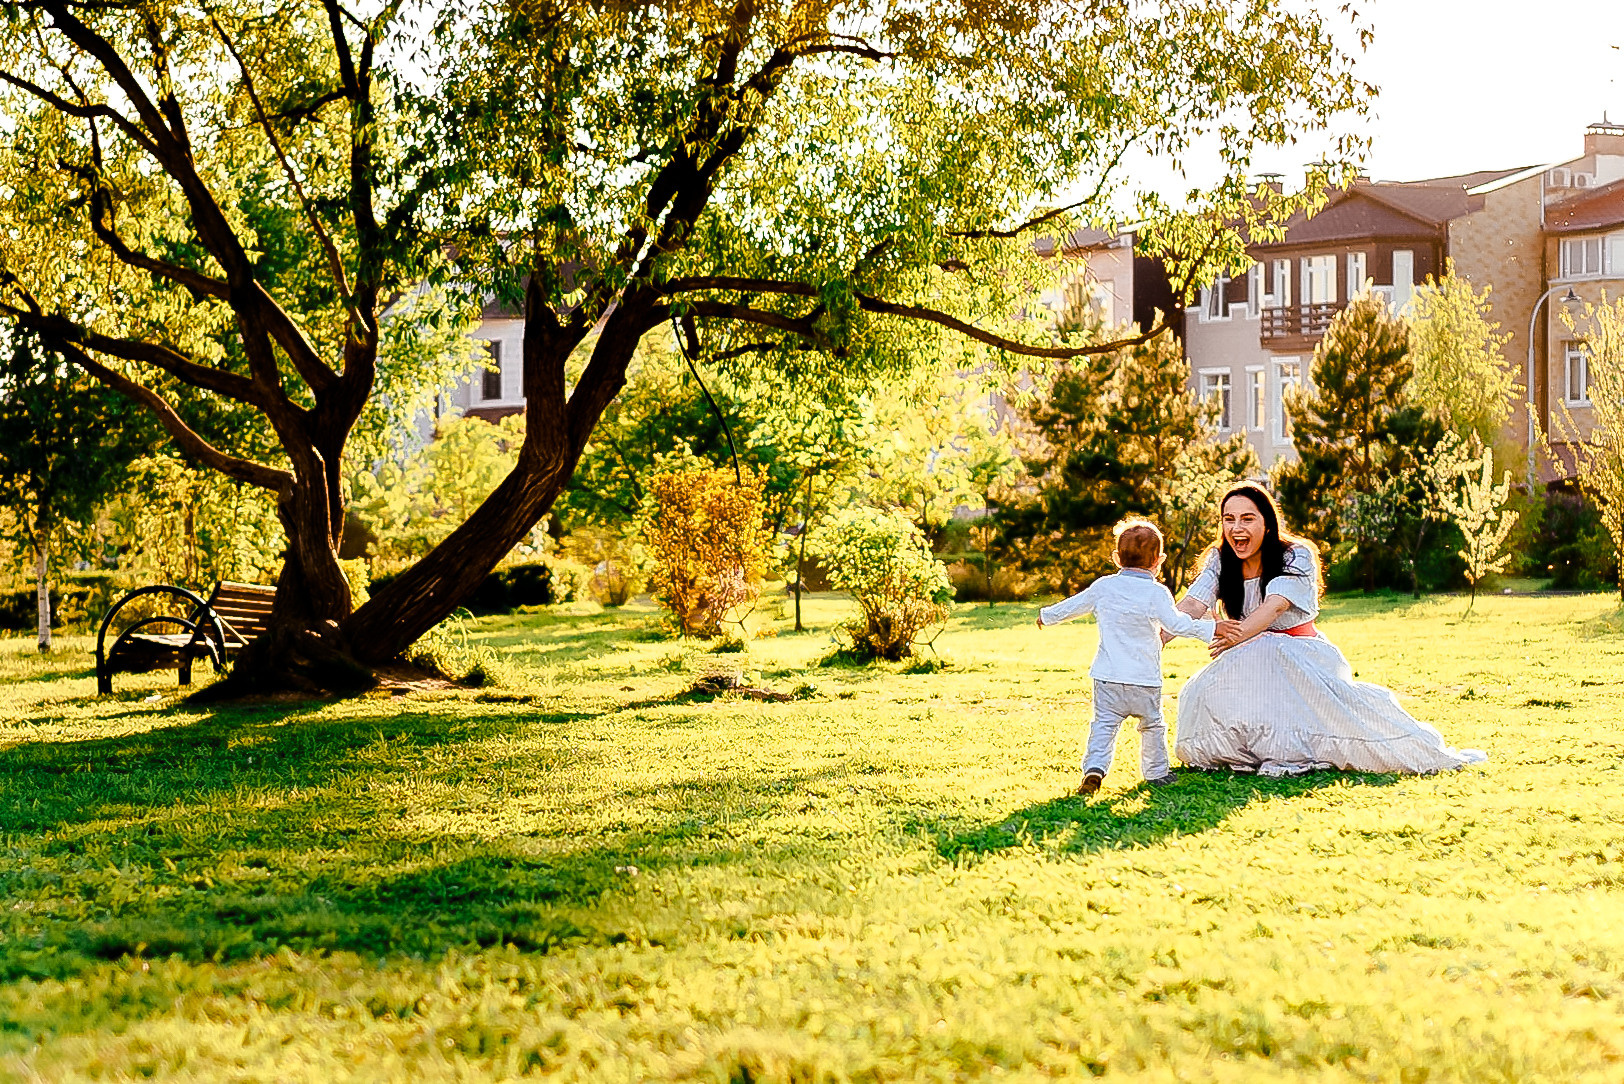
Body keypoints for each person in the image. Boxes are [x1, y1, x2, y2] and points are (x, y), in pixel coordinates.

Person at [1171, 483, 1486, 776]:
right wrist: (1154, 640)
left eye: (1247, 519)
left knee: (1348, 718)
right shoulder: (1219, 558)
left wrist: (1234, 635)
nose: (1236, 528)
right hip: (1249, 661)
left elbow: (1274, 608)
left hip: (1300, 656)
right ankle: (1250, 749)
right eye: (1229, 519)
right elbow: (1191, 606)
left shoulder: (1295, 555)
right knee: (1197, 694)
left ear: (1266, 524)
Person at [1037, 518, 1216, 794]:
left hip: (1108, 678)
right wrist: (1213, 628)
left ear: (1116, 558)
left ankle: (1094, 770)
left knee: (1104, 726)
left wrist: (1047, 616)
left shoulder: (1104, 587)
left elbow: (1074, 605)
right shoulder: (1158, 593)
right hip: (1145, 679)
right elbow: (1178, 624)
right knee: (1153, 726)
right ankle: (1157, 773)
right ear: (1160, 560)